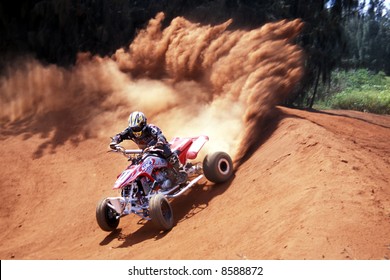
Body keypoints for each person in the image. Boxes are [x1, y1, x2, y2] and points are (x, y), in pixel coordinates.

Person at [109, 111, 187, 185]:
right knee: (136, 163)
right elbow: (119, 136)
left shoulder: (151, 128)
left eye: (137, 127)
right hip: (146, 151)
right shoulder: (129, 131)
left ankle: (179, 173)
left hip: (159, 148)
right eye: (133, 128)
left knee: (169, 155)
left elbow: (160, 136)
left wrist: (159, 142)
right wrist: (114, 142)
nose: (135, 130)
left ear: (143, 124)